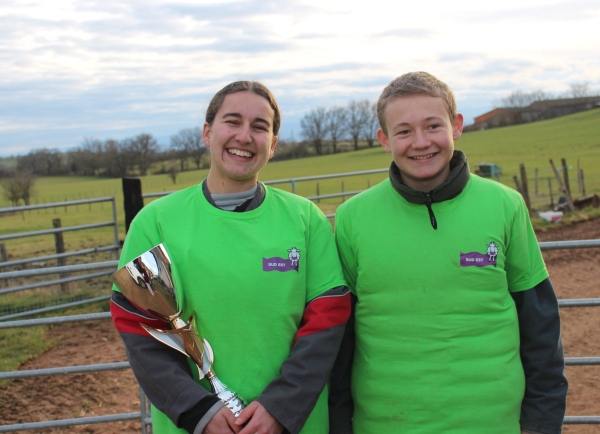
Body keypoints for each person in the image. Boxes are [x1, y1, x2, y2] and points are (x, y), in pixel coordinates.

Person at [329, 72, 567, 434]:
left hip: (494, 423)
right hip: (384, 424)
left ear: (456, 126)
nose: (421, 142)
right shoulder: (351, 218)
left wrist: (541, 422)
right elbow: (341, 339)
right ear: (384, 139)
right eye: (404, 131)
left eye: (432, 126)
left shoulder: (505, 206)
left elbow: (540, 328)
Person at [111, 81, 350, 434]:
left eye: (259, 126)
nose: (244, 136)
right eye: (232, 121)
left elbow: (327, 322)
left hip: (292, 424)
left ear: (273, 145)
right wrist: (198, 411)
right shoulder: (156, 221)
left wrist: (281, 407)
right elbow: (138, 326)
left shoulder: (306, 219)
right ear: (208, 133)